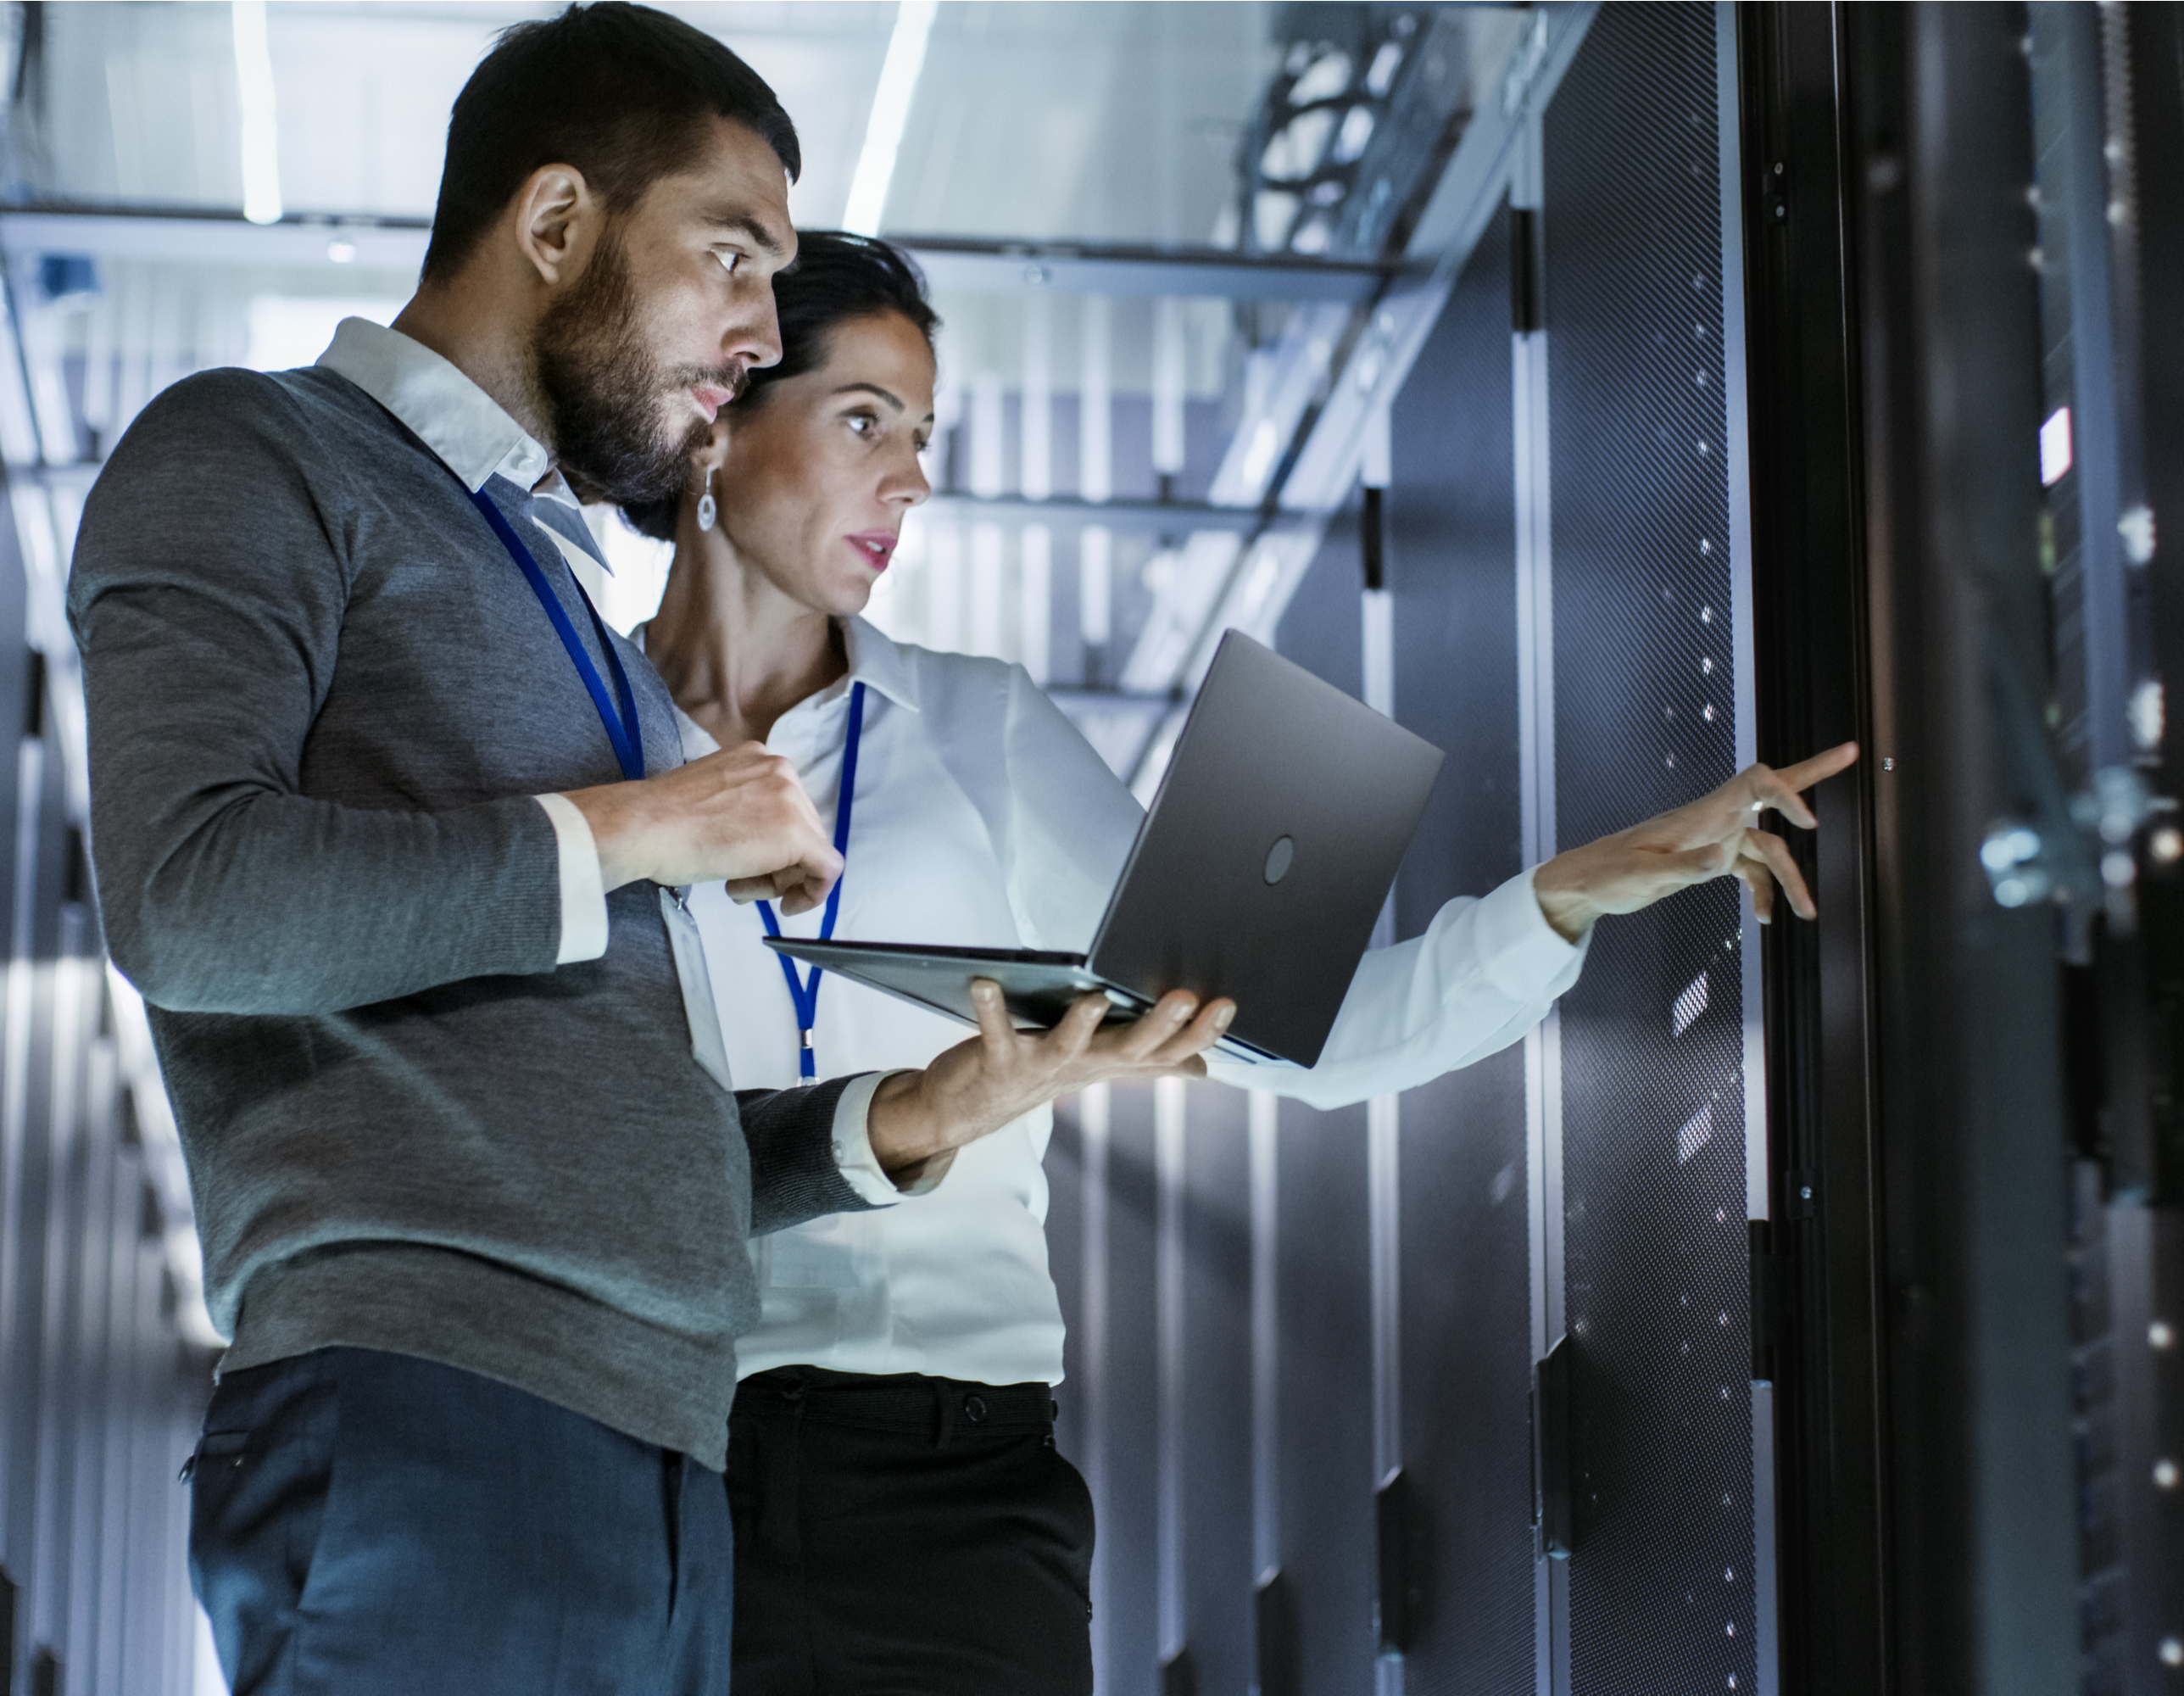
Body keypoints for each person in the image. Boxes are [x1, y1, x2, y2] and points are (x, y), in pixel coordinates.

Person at [626, 232, 1859, 1695]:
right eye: (864, 421)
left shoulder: (981, 731)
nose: (913, 480)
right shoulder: (577, 743)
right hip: (648, 1458)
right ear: (723, 416)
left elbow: (1300, 1036)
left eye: (925, 437)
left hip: (949, 1482)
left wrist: (1570, 896)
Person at [68, 11, 1000, 1694]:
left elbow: (580, 1100)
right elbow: (189, 900)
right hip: (428, 1419)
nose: (755, 330)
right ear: (558, 224)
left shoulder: (560, 587)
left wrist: (897, 1122)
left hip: (659, 1460)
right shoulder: (256, 453)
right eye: (731, 256)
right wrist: (657, 819)